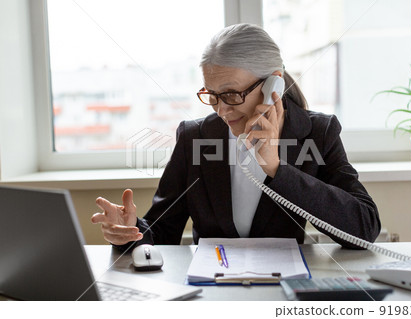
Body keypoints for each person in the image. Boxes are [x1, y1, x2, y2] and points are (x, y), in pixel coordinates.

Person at [91, 23, 380, 250]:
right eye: (212, 96)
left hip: (284, 290)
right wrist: (131, 231)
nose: (222, 110)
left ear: (273, 83)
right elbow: (162, 232)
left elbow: (364, 229)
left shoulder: (317, 133)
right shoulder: (194, 137)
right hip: (211, 291)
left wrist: (277, 169)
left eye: (231, 94)